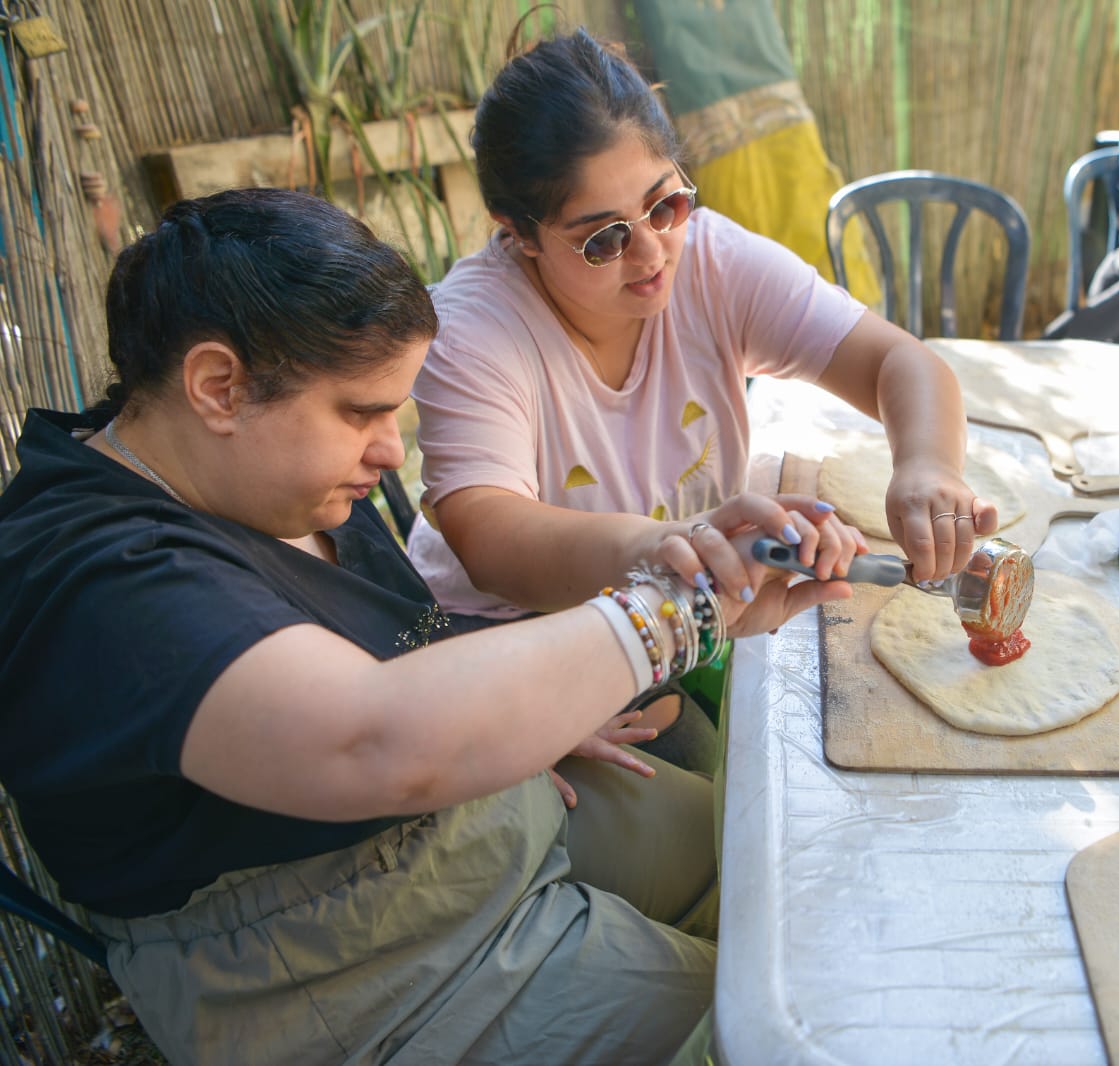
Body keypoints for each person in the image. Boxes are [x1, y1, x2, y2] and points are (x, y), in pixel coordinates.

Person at [0, 187, 859, 1066]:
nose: (389, 453)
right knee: (803, 1035)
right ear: (218, 386)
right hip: (370, 962)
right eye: (361, 412)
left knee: (798, 881)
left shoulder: (252, 472)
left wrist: (520, 711)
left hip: (479, 823)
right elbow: (371, 739)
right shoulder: (101, 579)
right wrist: (678, 611)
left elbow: (402, 651)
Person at [407, 26, 1001, 769]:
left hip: (669, 607)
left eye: (665, 204)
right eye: (603, 239)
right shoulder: (474, 329)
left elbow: (899, 361)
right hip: (507, 642)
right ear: (519, 234)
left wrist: (927, 465)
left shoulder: (713, 260)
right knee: (711, 799)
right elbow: (490, 540)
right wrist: (663, 550)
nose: (652, 252)